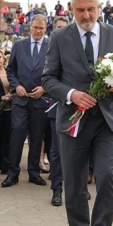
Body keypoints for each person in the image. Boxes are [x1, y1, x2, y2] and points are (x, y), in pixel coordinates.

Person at [41, 0, 113, 226]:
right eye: (80, 10)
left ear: (99, 7)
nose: (87, 15)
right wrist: (71, 94)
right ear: (71, 8)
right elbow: (48, 78)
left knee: (107, 178)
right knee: (75, 184)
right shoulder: (59, 37)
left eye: (91, 9)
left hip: (106, 122)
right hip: (73, 122)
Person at [1, 14, 50, 188]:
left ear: (46, 29)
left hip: (40, 99)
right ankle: (12, 174)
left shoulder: (51, 46)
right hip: (21, 100)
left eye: (41, 28)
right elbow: (11, 70)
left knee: (37, 137)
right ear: (29, 27)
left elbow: (57, 72)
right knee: (17, 133)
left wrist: (45, 88)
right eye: (35, 28)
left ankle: (34, 173)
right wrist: (16, 86)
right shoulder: (19, 45)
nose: (38, 31)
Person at [47, 16, 69, 206]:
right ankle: (57, 189)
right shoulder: (52, 49)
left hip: (81, 109)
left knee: (80, 152)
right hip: (58, 109)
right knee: (56, 152)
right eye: (57, 28)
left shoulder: (76, 49)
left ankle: (78, 188)